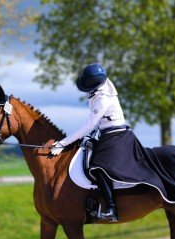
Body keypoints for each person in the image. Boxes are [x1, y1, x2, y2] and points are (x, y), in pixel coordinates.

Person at [50, 63, 126, 222]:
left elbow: (89, 124)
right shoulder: (102, 86)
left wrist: (63, 143)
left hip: (114, 134)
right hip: (103, 132)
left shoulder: (103, 99)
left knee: (98, 166)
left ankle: (112, 208)